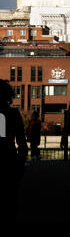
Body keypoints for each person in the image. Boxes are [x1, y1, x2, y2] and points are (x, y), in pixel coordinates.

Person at [0, 79, 28, 220]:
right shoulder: (13, 114)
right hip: (10, 159)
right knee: (10, 198)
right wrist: (21, 161)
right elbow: (22, 142)